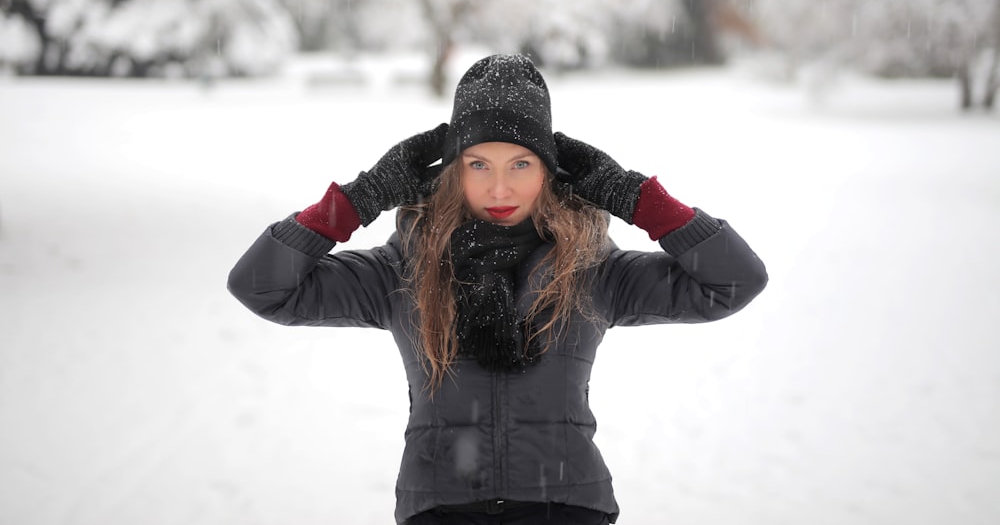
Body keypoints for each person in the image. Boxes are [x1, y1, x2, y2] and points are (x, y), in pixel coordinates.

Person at [227, 53, 768, 524]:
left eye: (521, 164)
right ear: (452, 171)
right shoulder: (403, 270)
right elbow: (263, 287)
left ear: (548, 172)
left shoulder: (592, 268)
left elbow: (733, 281)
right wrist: (359, 199)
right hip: (439, 509)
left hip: (568, 507)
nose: (500, 187)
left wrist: (636, 198)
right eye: (478, 163)